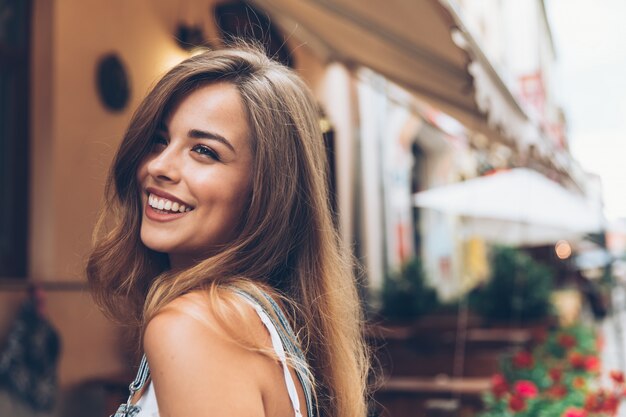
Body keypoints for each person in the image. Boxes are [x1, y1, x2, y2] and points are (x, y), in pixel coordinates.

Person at [86, 44, 369, 417]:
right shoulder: (257, 323)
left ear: (265, 190)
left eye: (204, 150)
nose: (160, 166)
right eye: (159, 140)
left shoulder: (194, 327)